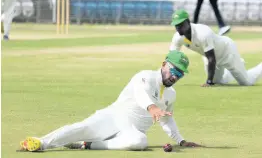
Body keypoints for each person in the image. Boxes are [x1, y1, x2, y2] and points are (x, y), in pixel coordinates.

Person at [19, 51, 200, 152]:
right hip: (114, 116)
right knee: (81, 128)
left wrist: (181, 140)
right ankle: (40, 143)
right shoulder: (145, 76)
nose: (175, 77)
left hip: (132, 131)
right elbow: (140, 94)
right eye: (173, 71)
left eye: (180, 74)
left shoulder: (171, 95)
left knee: (140, 142)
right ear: (163, 64)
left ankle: (88, 145)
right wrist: (152, 107)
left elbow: (167, 120)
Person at [170, 9, 262, 87]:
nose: (178, 28)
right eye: (176, 25)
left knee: (246, 82)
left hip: (227, 53)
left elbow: (211, 58)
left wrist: (209, 81)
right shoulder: (177, 37)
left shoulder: (203, 33)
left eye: (180, 24)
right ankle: (236, 67)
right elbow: (172, 58)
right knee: (219, 82)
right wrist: (168, 76)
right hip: (210, 58)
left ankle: (238, 65)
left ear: (188, 22)